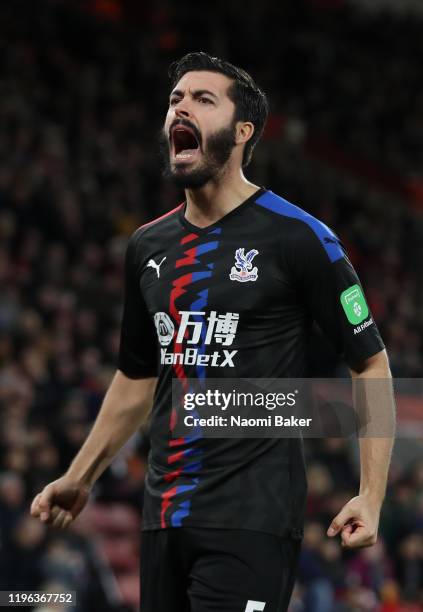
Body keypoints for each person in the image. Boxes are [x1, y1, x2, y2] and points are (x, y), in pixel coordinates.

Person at [31, 52, 395, 612]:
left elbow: (370, 363)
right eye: (175, 99)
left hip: (254, 519)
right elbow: (136, 377)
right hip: (165, 516)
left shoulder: (300, 238)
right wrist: (80, 475)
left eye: (203, 99)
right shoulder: (147, 247)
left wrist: (370, 496)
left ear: (242, 131)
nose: (181, 107)